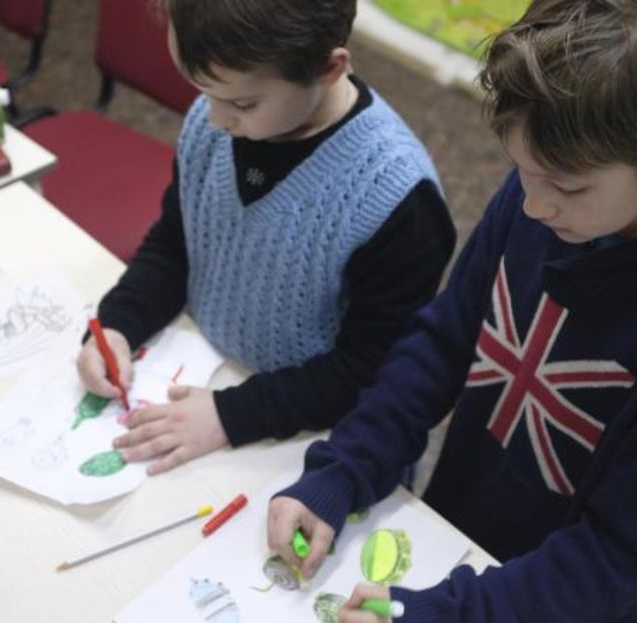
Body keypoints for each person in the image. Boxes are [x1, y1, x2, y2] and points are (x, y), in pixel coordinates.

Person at [267, 1, 637, 620]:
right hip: (453, 541)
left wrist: (452, 613)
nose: (533, 207)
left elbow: (616, 557)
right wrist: (344, 470)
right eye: (521, 171)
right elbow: (443, 342)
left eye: (567, 186)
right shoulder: (550, 183)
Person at [77, 0, 455, 476]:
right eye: (200, 90)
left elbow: (370, 370)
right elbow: (179, 241)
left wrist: (229, 416)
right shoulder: (216, 118)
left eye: (241, 103)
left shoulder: (400, 200)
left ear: (328, 68)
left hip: (315, 444)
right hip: (210, 375)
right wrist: (118, 325)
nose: (214, 119)